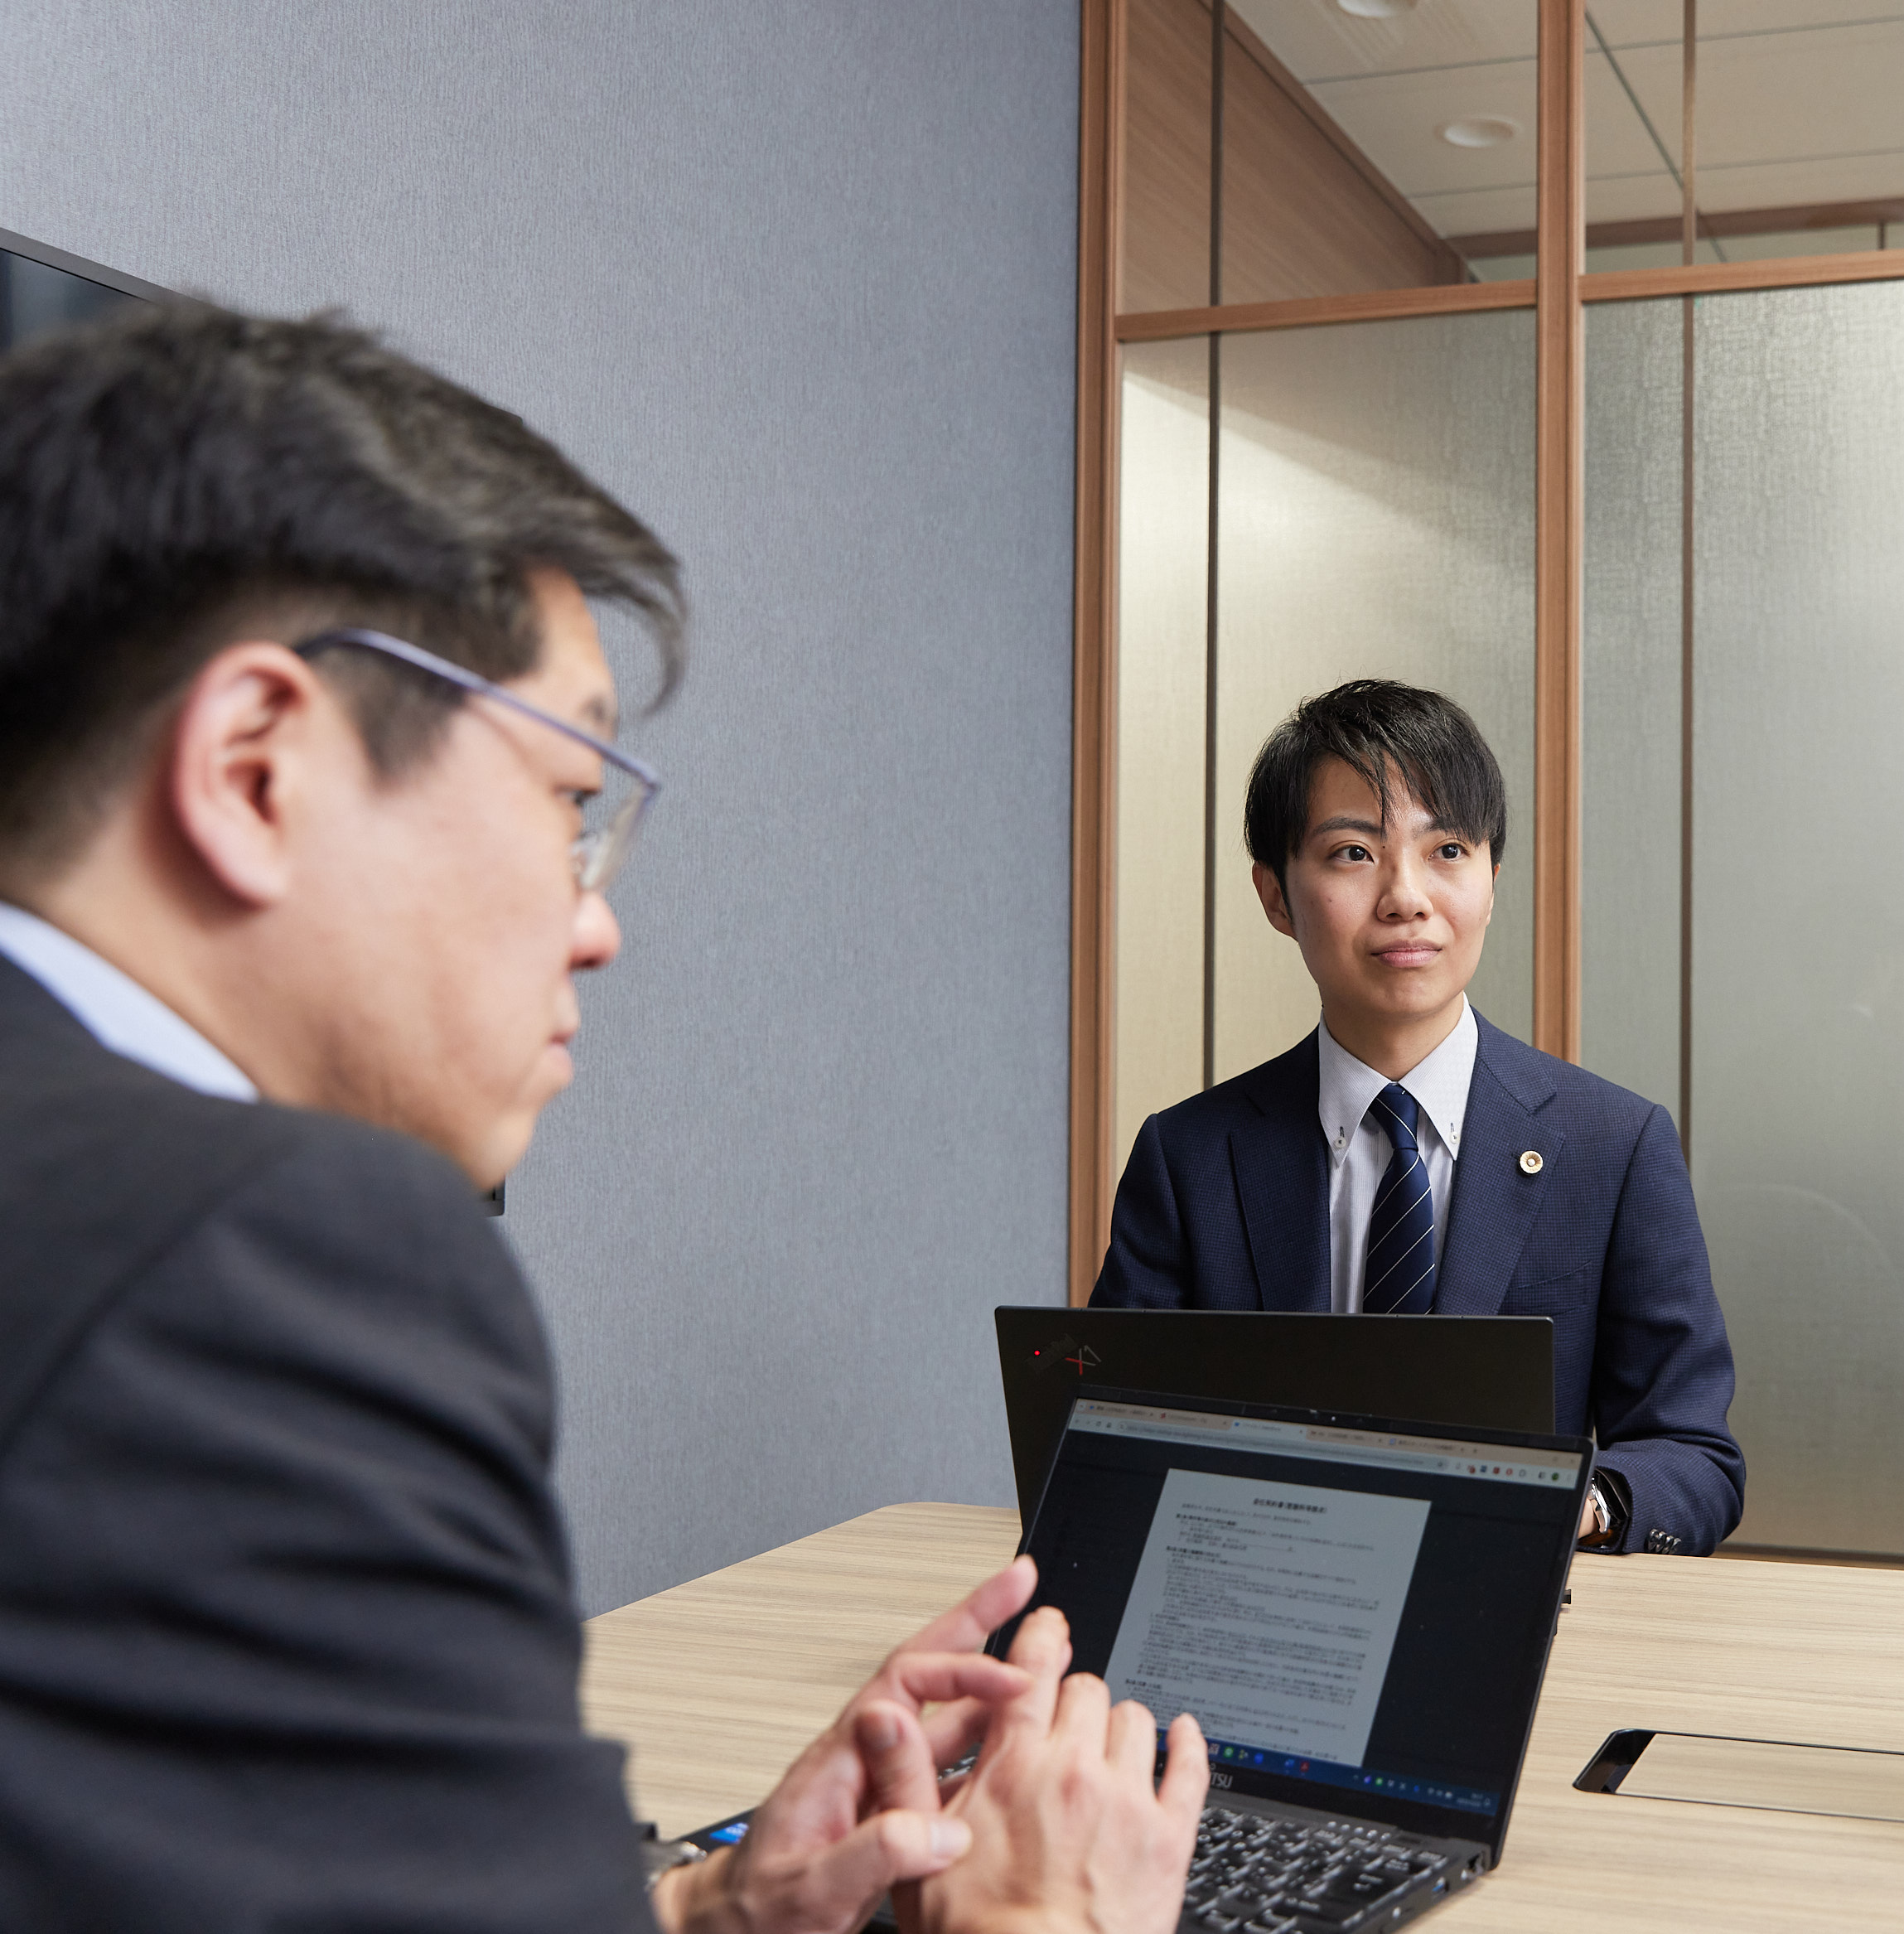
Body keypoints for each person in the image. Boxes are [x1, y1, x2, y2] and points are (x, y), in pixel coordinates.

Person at [0, 305, 1203, 1932]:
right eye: (570, 801)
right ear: (257, 768)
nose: (596, 922)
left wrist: (706, 1913)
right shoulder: (272, 1249)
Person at [1092, 680, 1743, 1556]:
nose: (1405, 896)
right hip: (1263, 1615)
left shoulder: (1611, 1147)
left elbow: (1692, 1452)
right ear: (1276, 897)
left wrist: (1580, 1504)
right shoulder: (1189, 1156)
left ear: (1489, 881)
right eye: (1353, 854)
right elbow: (1110, 1438)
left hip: (1506, 1616)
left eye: (1446, 850)